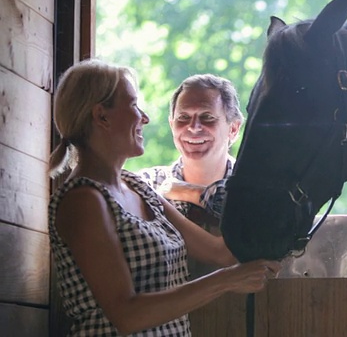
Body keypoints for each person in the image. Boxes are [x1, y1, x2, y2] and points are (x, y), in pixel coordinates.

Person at [48, 59, 280, 336]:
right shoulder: (83, 201)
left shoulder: (137, 187)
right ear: (102, 117)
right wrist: (226, 281)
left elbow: (221, 252)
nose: (144, 117)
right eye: (133, 105)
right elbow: (127, 315)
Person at [137, 73, 243, 278]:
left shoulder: (256, 186)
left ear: (233, 128)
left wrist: (190, 192)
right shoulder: (148, 183)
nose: (193, 128)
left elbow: (264, 207)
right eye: (183, 118)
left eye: (207, 117)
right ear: (171, 125)